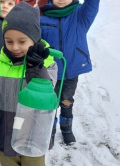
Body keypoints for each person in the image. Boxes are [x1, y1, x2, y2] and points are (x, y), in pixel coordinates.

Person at [0, 2, 58, 166]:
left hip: (33, 137)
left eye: (22, 41)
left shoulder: (48, 64)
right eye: (9, 41)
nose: (15, 47)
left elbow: (49, 91)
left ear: (34, 39)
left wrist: (35, 68)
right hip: (4, 135)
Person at [39, 0, 100, 148]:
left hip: (71, 70)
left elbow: (92, 4)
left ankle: (66, 128)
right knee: (49, 103)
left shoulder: (80, 15)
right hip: (50, 72)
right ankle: (49, 130)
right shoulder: (42, 17)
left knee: (66, 100)